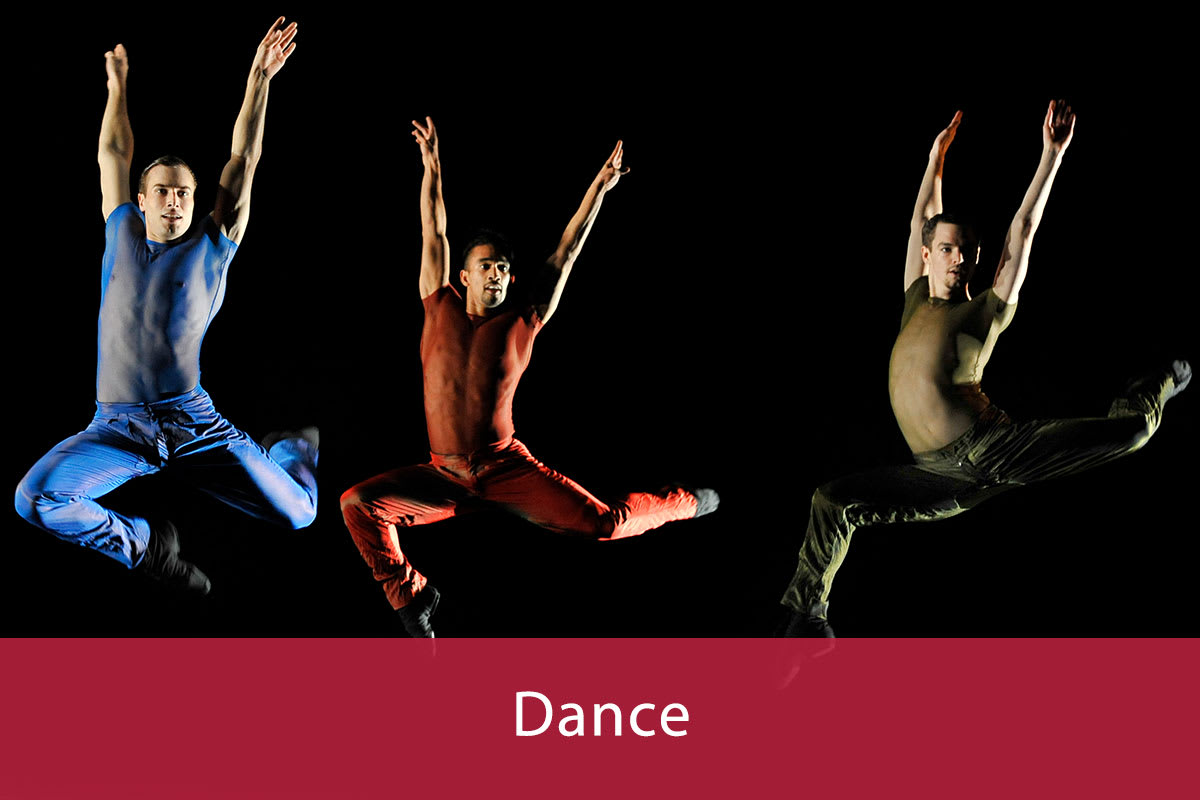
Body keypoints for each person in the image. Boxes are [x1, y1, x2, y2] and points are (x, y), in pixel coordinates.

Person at [779, 102, 1190, 636]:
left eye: (966, 251)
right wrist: (936, 158)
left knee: (1133, 431)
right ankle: (807, 619)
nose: (957, 258)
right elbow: (920, 215)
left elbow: (1022, 231)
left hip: (990, 448)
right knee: (831, 501)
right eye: (947, 248)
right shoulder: (914, 300)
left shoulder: (983, 312)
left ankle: (1153, 387)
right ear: (928, 255)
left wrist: (1051, 155)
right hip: (928, 474)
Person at [340, 117, 719, 637]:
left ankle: (682, 504)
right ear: (464, 274)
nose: (496, 274)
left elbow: (566, 251)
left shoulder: (526, 318)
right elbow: (434, 227)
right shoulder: (437, 302)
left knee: (604, 524)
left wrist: (599, 190)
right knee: (357, 505)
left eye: (503, 269)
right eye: (486, 266)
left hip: (504, 469)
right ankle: (413, 596)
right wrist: (431, 165)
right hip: (443, 475)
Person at [14, 18, 317, 594]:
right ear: (141, 200)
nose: (174, 200)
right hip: (116, 427)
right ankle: (147, 547)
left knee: (300, 514)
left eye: (184, 192)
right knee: (35, 499)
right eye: (163, 191)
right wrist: (118, 84)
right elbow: (113, 150)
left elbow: (244, 158)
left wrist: (259, 79)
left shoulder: (212, 246)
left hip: (191, 423)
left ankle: (293, 450)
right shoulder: (120, 231)